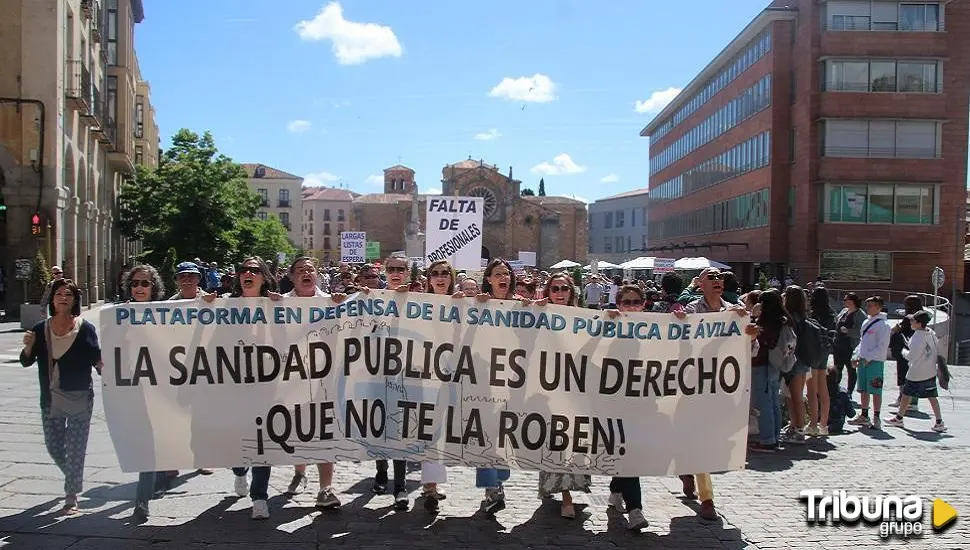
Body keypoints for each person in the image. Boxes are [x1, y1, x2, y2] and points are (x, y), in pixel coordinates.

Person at [204, 256, 280, 519]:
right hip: (234, 384)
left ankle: (260, 497)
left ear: (264, 277)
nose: (248, 273)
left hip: (266, 384)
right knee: (236, 438)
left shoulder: (276, 306)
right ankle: (238, 471)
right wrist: (204, 307)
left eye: (255, 270)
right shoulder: (225, 305)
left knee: (263, 441)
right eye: (244, 270)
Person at [20, 278, 102, 515]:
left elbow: (96, 356)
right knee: (54, 446)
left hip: (79, 395)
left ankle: (71, 496)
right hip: (51, 397)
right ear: (53, 300)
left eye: (68, 294)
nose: (63, 298)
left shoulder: (85, 328)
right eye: (59, 294)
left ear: (75, 300)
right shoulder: (39, 329)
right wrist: (27, 347)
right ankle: (74, 476)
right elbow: (26, 361)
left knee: (76, 448)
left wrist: (107, 369)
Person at [282, 257, 342, 509]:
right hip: (290, 376)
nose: (306, 273)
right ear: (292, 276)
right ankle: (299, 470)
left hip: (323, 377)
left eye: (310, 269)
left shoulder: (332, 301)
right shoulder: (279, 303)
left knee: (324, 430)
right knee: (298, 429)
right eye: (300, 270)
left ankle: (325, 488)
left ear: (317, 274)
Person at [535, 272, 591, 519]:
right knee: (553, 440)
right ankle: (563, 494)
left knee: (572, 439)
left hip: (576, 387)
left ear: (572, 292)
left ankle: (566, 490)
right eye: (555, 288)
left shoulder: (585, 318)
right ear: (548, 291)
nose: (559, 293)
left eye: (564, 289)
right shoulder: (539, 314)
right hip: (547, 388)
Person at [123, 264, 168, 521]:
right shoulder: (119, 314)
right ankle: (152, 484)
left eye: (145, 283)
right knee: (144, 442)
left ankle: (142, 500)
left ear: (154, 287)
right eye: (135, 283)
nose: (139, 288)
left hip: (161, 390)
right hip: (133, 389)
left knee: (152, 441)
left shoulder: (166, 313)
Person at [603, 285, 651, 530]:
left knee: (629, 451)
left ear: (643, 304)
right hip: (615, 400)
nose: (631, 306)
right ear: (618, 304)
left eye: (635, 302)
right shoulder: (608, 325)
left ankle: (616, 489)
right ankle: (635, 509)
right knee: (627, 452)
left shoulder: (659, 329)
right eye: (626, 302)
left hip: (644, 400)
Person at [884, 311, 947, 433]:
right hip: (930, 371)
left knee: (906, 394)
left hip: (916, 371)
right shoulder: (931, 334)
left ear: (918, 323)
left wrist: (903, 351)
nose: (910, 323)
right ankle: (939, 421)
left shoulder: (917, 336)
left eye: (913, 321)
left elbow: (911, 356)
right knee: (932, 396)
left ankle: (899, 418)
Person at [848, 296, 891, 430]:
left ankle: (876, 417)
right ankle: (864, 414)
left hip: (875, 361)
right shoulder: (866, 322)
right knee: (863, 389)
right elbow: (862, 342)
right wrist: (856, 355)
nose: (868, 308)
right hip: (862, 360)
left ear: (879, 307)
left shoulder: (883, 325)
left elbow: (882, 346)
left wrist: (869, 357)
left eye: (871, 305)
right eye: (868, 305)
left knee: (875, 390)